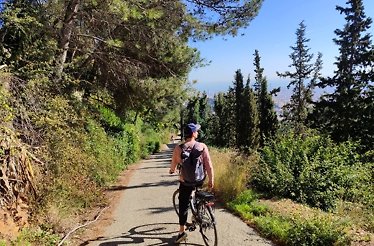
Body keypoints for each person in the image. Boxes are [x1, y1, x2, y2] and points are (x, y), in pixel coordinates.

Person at [169, 123, 214, 243]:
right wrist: (211, 180)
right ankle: (198, 211)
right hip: (199, 180)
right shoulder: (202, 146)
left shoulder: (179, 148)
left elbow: (174, 163)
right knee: (197, 193)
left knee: (183, 205)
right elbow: (208, 165)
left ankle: (181, 232)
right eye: (197, 131)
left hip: (186, 181)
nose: (198, 133)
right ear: (193, 133)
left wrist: (172, 170)